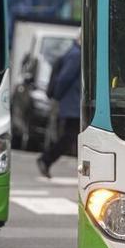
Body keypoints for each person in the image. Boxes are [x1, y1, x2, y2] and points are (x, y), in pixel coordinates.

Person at [37, 37, 81, 178]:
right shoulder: (76, 54)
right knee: (70, 136)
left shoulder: (74, 52)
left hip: (71, 103)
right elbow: (65, 78)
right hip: (72, 104)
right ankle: (46, 159)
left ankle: (46, 159)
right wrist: (57, 97)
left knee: (70, 136)